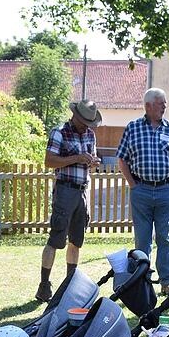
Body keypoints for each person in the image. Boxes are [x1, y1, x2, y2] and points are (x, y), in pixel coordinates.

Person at [117, 88, 169, 295]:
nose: (165, 107)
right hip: (141, 191)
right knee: (142, 239)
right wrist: (133, 184)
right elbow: (121, 158)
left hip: (166, 190)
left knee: (166, 237)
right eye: (161, 103)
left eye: (165, 103)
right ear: (148, 106)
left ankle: (167, 281)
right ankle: (144, 279)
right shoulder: (133, 128)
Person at [35, 100, 102, 303]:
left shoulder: (90, 134)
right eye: (84, 121)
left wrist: (93, 162)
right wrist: (76, 158)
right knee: (55, 239)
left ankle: (69, 286)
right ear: (75, 116)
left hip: (83, 191)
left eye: (89, 123)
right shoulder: (60, 132)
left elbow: (90, 160)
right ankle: (44, 286)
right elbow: (49, 161)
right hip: (64, 190)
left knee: (76, 241)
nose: (86, 126)